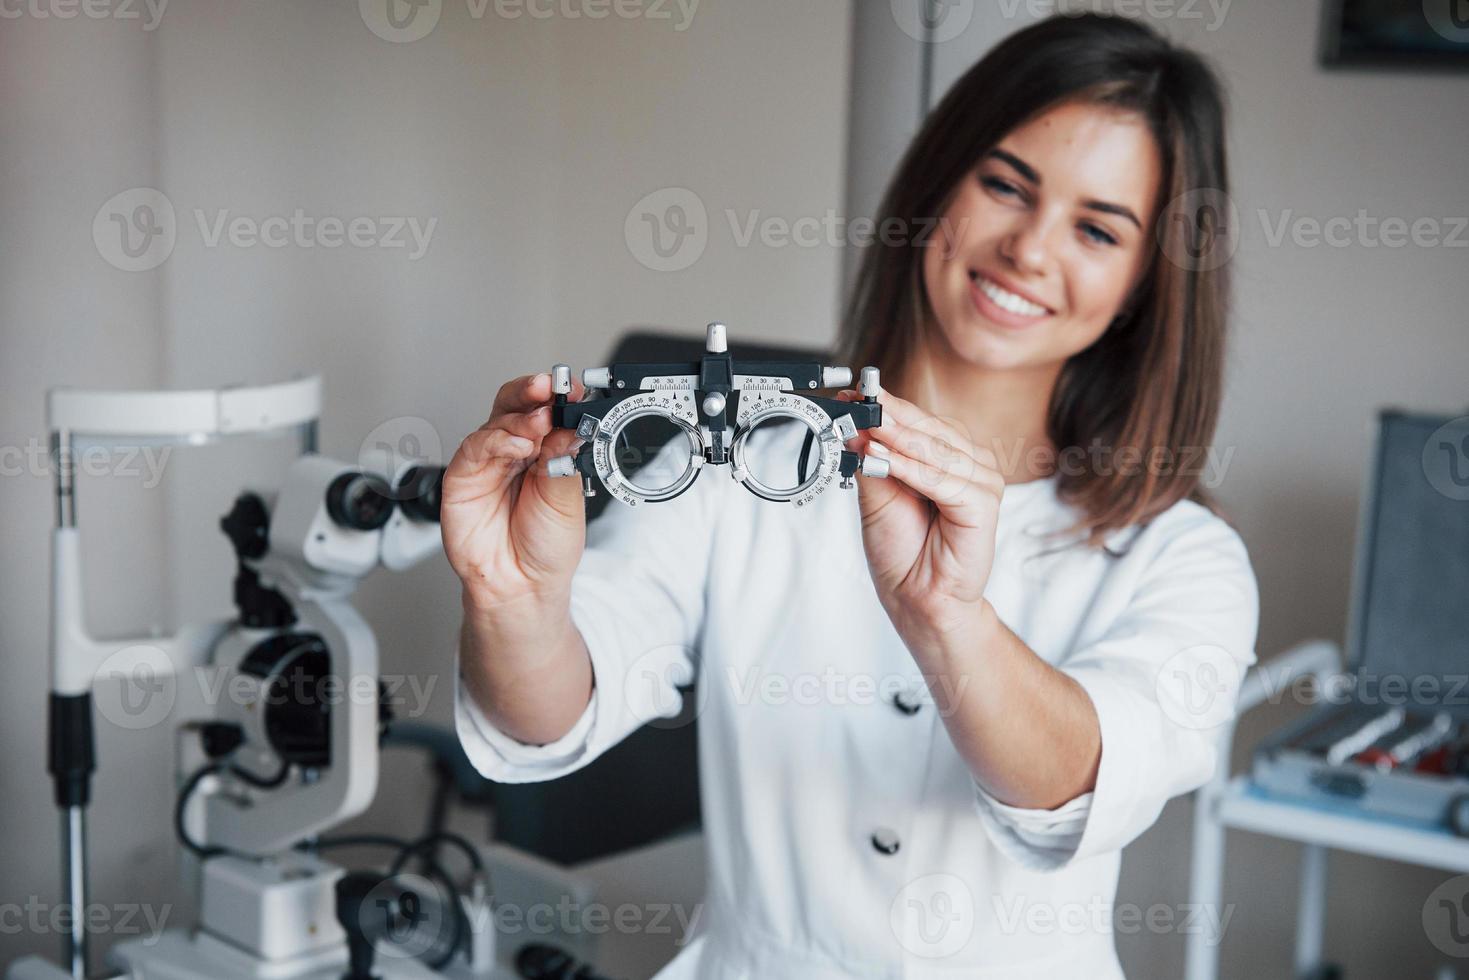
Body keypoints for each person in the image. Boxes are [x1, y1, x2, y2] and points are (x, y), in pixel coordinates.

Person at [442, 13, 1258, 979]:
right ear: (934, 186)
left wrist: (948, 619)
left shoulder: (1184, 559)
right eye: (1004, 184)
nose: (1030, 250)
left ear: (1141, 283)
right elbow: (549, 712)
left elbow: (1076, 784)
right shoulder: (735, 468)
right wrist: (512, 603)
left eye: (1095, 228)